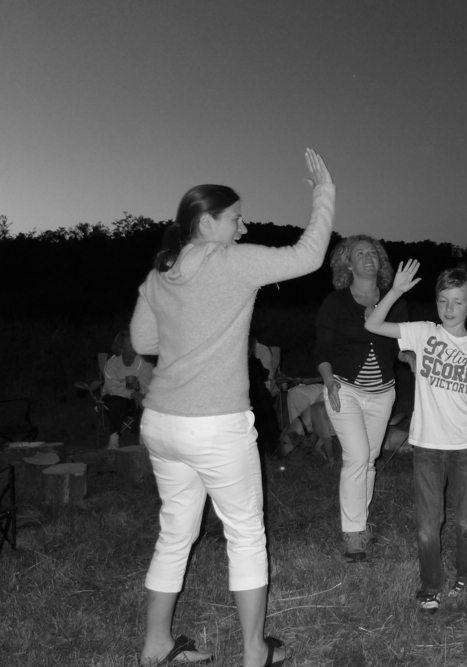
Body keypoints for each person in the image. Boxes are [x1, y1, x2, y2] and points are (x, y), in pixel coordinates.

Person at [129, 149, 334, 667]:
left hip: (162, 423)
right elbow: (308, 255)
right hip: (214, 425)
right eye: (236, 218)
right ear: (206, 223)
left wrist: (188, 331)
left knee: (175, 531)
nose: (243, 227)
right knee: (244, 534)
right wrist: (324, 193)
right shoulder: (230, 263)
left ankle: (157, 644)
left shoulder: (159, 274)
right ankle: (253, 651)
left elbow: (143, 341)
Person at [365, 261, 467, 614]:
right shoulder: (424, 332)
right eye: (442, 300)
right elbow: (372, 323)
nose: (449, 308)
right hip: (426, 446)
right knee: (428, 523)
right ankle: (431, 584)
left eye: (458, 301)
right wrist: (395, 291)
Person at [314, 235, 411, 562]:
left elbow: (401, 345)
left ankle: (360, 520)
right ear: (348, 263)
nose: (368, 257)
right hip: (345, 389)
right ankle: (353, 533)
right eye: (360, 253)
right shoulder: (335, 303)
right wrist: (328, 379)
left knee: (369, 459)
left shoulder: (394, 301)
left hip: (383, 392)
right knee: (356, 457)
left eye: (373, 253)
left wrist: (411, 356)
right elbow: (322, 348)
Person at [101, 330, 153, 449]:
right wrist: (132, 393)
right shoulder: (112, 363)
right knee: (117, 402)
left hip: (136, 396)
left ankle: (142, 438)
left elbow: (145, 385)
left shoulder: (144, 363)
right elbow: (112, 387)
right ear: (121, 347)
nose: (135, 347)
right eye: (131, 345)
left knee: (143, 402)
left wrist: (137, 390)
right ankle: (113, 440)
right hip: (113, 396)